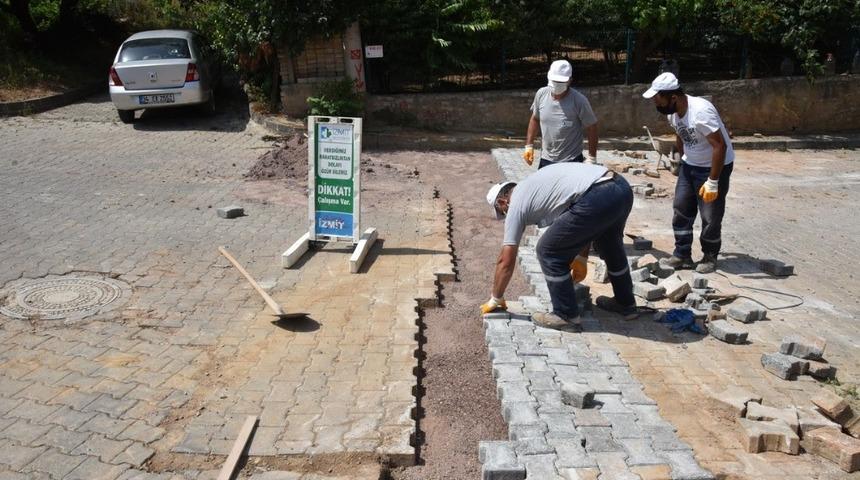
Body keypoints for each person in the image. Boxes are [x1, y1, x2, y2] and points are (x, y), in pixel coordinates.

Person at [480, 163, 638, 329]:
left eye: (502, 211)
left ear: (502, 201)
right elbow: (583, 223)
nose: (505, 215)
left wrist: (496, 297)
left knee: (548, 251)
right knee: (610, 244)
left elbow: (505, 260)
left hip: (597, 195)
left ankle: (566, 315)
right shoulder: (538, 186)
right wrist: (581, 257)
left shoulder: (516, 204)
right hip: (620, 188)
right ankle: (625, 303)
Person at [643, 72, 735, 273]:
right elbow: (680, 134)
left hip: (714, 166)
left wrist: (713, 180)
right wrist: (680, 157)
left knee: (710, 214)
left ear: (673, 97)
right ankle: (682, 255)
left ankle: (710, 256)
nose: (656, 105)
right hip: (690, 164)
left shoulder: (701, 112)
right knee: (681, 208)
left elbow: (720, 146)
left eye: (658, 100)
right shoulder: (673, 113)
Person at [523, 60, 599, 169]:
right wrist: (529, 146)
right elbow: (535, 119)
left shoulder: (579, 101)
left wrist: (592, 157)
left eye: (560, 81)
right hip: (546, 159)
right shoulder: (541, 94)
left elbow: (592, 127)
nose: (557, 84)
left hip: (571, 161)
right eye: (554, 80)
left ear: (570, 81)